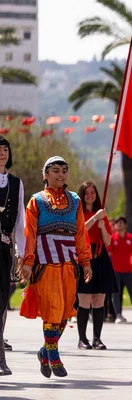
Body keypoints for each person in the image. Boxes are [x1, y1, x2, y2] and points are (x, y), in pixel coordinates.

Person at [19, 156, 93, 378]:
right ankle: (54, 355)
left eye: (64, 170)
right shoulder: (36, 201)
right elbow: (29, 234)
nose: (60, 174)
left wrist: (86, 261)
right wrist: (28, 262)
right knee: (52, 309)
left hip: (69, 263)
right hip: (45, 263)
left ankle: (44, 351)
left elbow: (81, 233)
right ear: (45, 174)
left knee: (64, 313)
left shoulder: (75, 200)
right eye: (55, 170)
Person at [75, 181, 117, 351]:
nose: (90, 196)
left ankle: (97, 338)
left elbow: (107, 241)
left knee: (99, 300)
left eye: (93, 192)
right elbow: (80, 232)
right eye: (87, 193)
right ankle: (82, 339)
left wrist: (102, 227)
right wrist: (95, 218)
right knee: (84, 300)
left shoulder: (102, 216)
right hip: (84, 257)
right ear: (82, 195)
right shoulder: (78, 213)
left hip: (100, 256)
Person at [0, 136, 24, 376]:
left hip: (5, 248)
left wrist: (22, 255)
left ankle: (0, 356)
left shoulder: (16, 183)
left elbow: (20, 222)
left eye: (5, 149)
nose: (2, 153)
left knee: (2, 301)